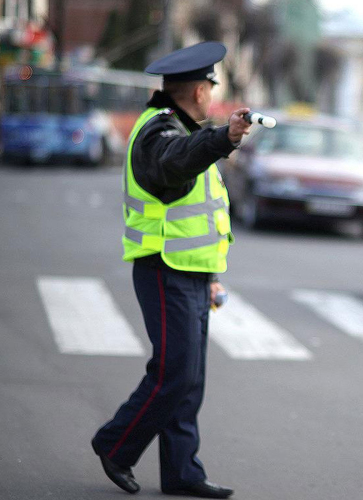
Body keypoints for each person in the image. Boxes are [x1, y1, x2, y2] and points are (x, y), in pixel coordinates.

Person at [90, 41, 251, 499]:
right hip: (164, 268)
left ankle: (183, 472)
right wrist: (223, 138)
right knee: (173, 373)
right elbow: (174, 165)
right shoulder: (157, 134)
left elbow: (202, 212)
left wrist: (212, 275)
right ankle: (115, 445)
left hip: (192, 271)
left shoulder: (181, 128)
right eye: (209, 86)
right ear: (200, 91)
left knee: (188, 377)